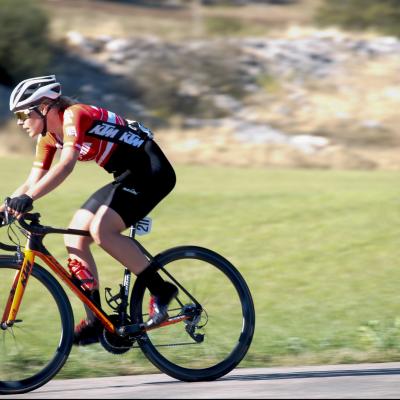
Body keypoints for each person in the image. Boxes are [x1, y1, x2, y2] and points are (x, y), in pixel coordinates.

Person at [3, 75, 178, 345]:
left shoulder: (75, 115)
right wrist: (6, 208)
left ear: (46, 106)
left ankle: (161, 290)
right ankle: (97, 321)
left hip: (152, 171)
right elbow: (30, 182)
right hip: (125, 176)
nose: (21, 122)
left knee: (101, 230)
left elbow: (66, 165)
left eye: (25, 113)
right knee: (74, 237)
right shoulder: (48, 138)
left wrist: (28, 198)